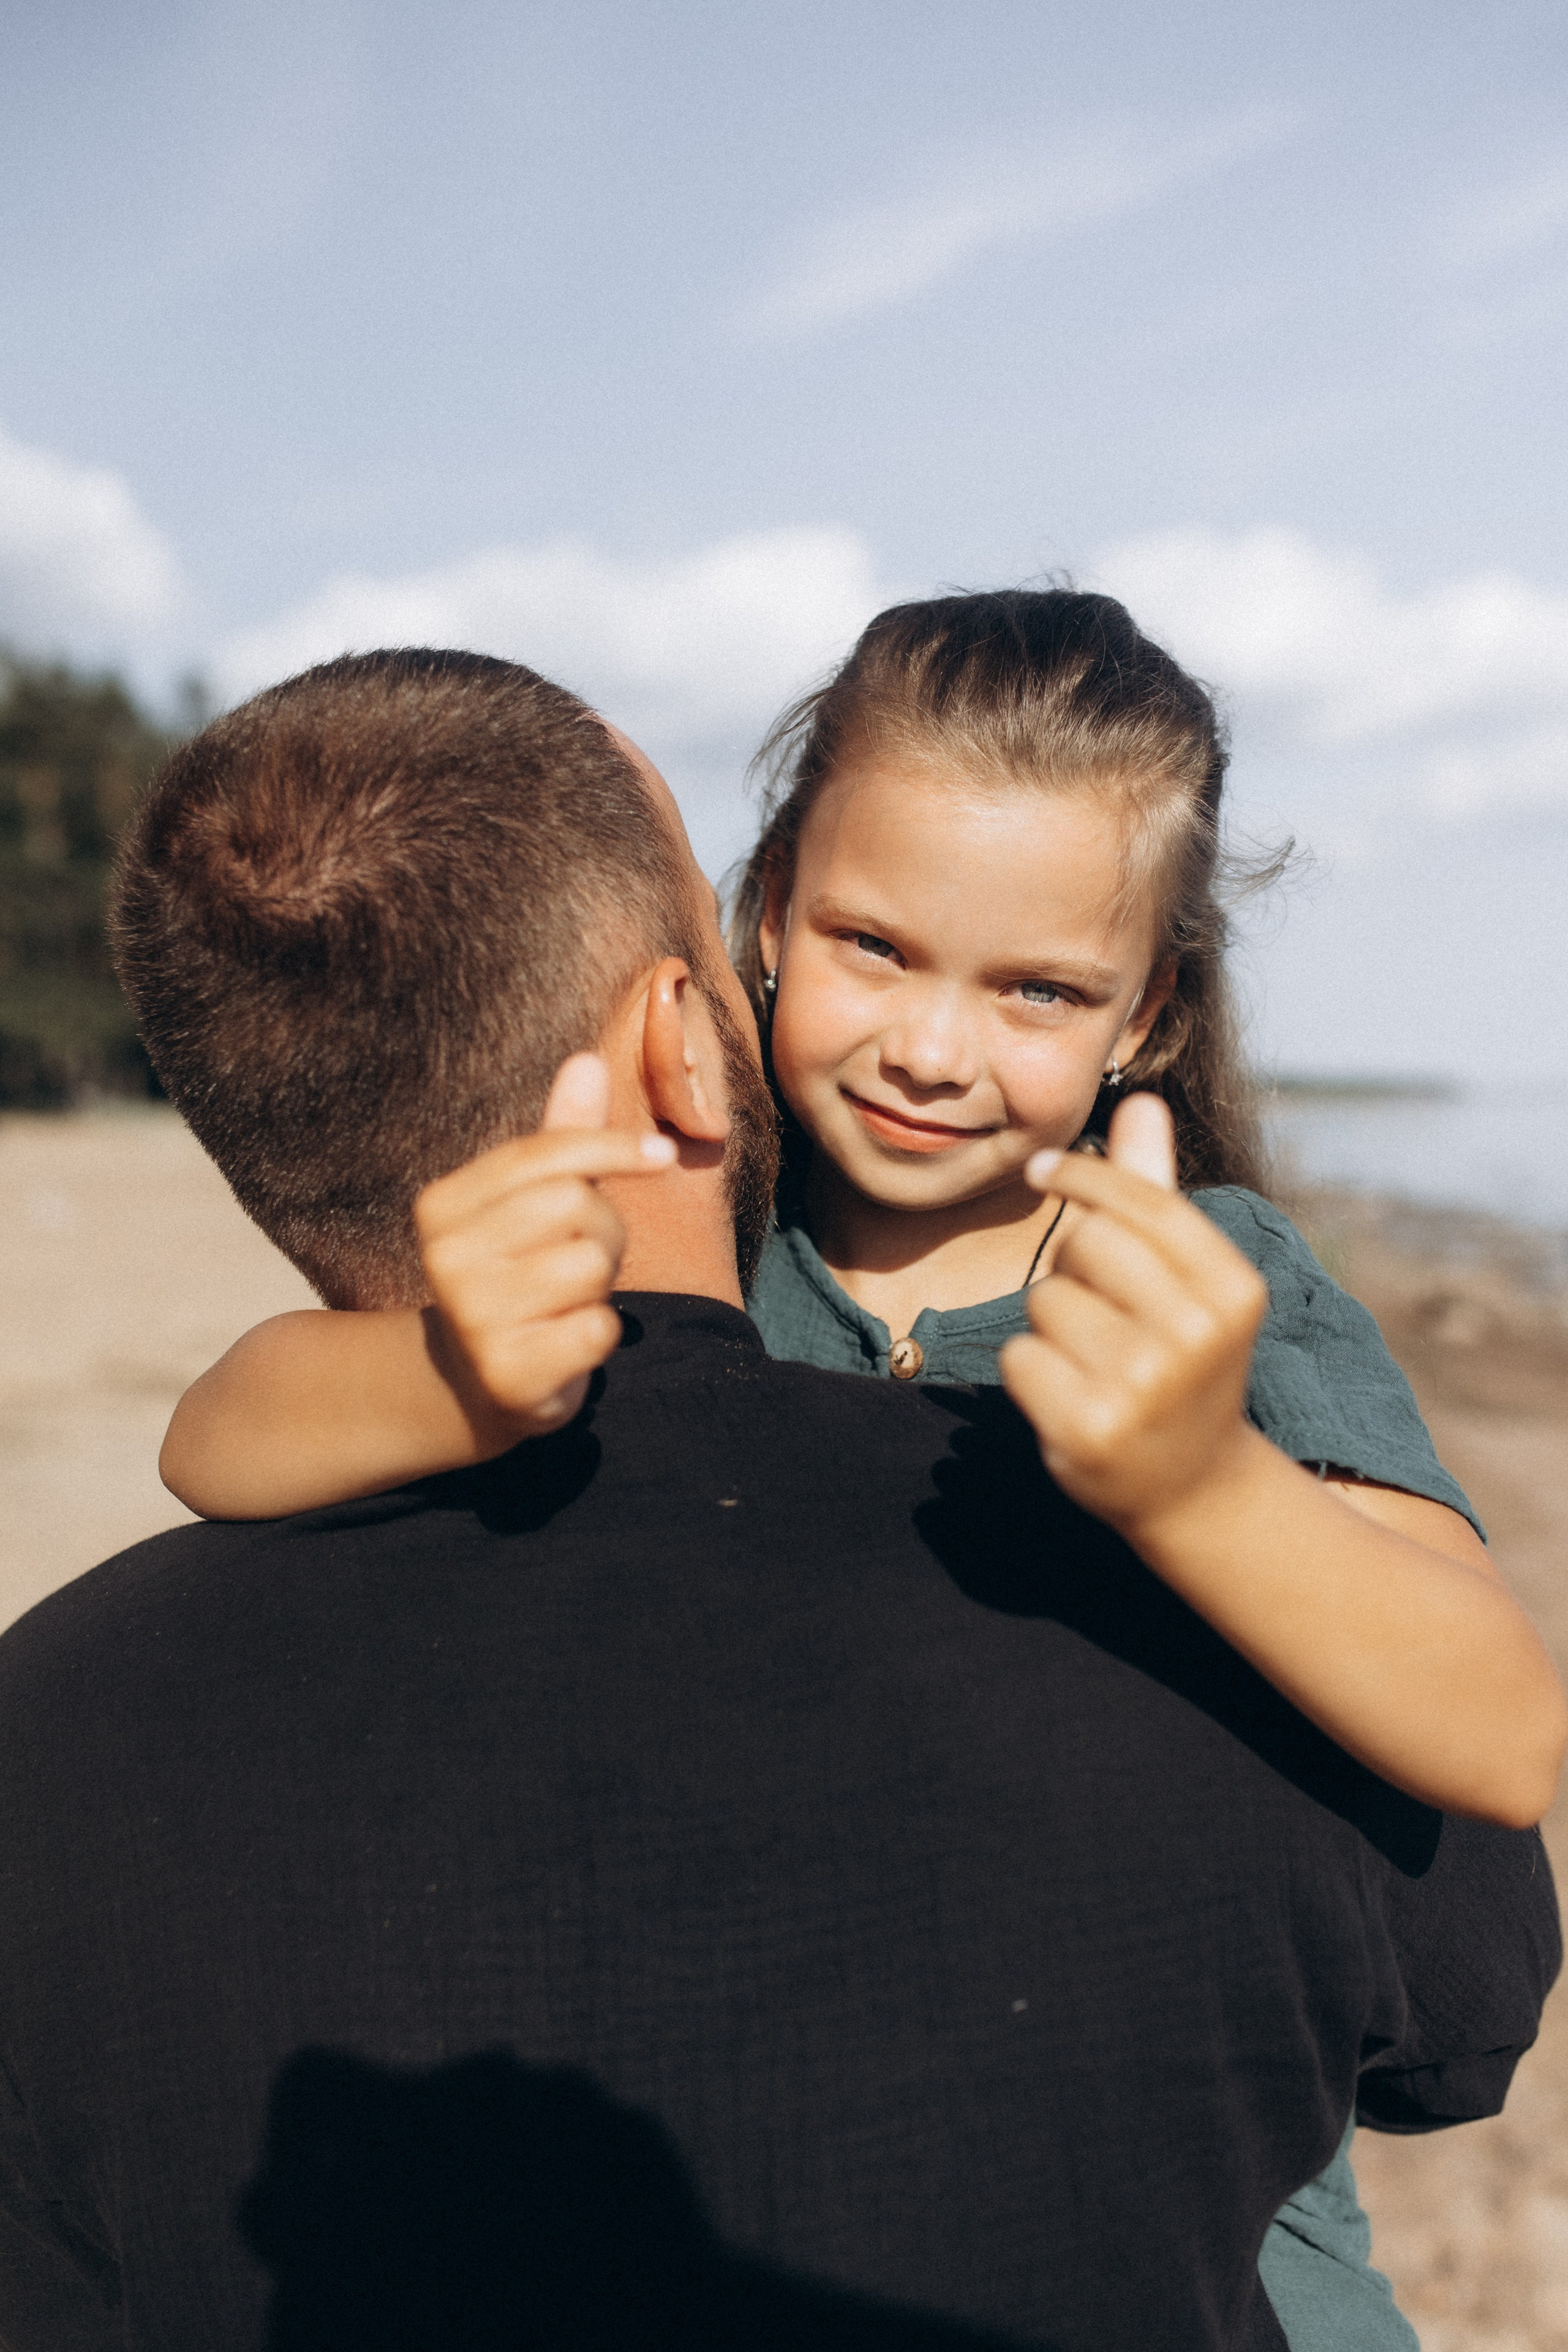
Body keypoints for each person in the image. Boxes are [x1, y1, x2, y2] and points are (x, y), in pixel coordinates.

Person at [0, 648, 1556, 2352]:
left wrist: (1200, 1484)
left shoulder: (1213, 1287)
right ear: (755, 926)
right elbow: (215, 1435)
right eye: (871, 947)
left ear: (1150, 1015)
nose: (931, 1048)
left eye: (1036, 990)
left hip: (1256, 2235)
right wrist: (445, 1370)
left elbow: (1500, 1736)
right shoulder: (729, 1240)